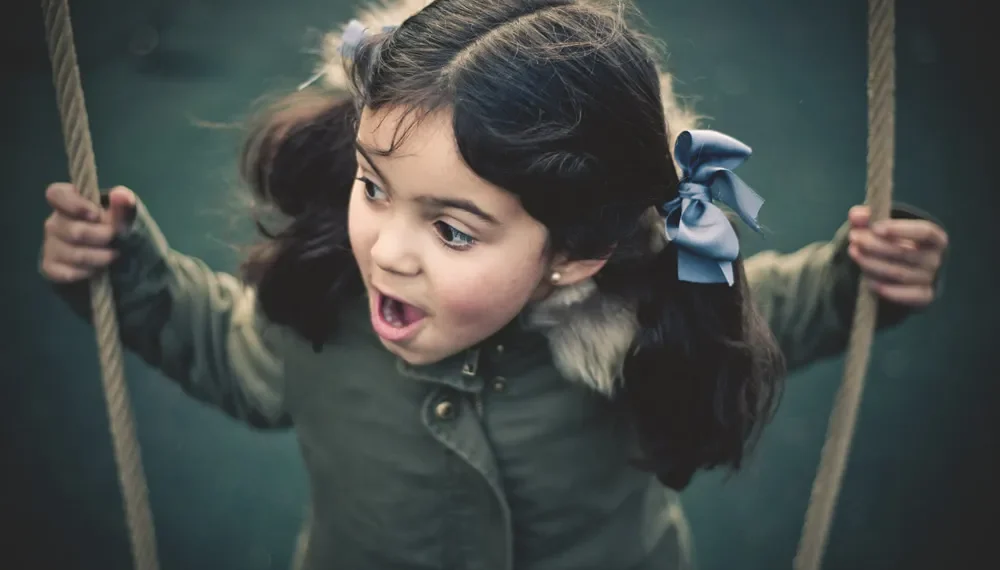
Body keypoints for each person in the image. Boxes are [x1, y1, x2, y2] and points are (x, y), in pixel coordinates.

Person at [38, 0, 949, 568]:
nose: (387, 252)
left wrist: (854, 281)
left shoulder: (647, 311)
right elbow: (222, 349)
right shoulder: (326, 310)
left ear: (574, 255)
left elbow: (765, 310)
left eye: (450, 229)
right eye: (372, 186)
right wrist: (128, 273)